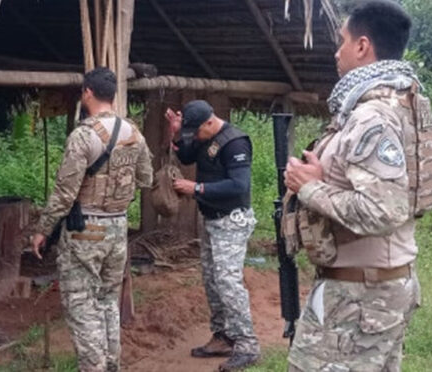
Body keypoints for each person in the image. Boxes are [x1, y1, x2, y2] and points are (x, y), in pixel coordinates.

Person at [284, 0, 432, 371]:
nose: (336, 51)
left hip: (359, 295)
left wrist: (309, 188)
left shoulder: (370, 116)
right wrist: (327, 176)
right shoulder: (405, 104)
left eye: (342, 40)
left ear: (362, 46)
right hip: (382, 286)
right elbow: (422, 190)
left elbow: (384, 210)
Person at [30, 68, 153, 372]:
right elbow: (146, 179)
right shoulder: (134, 134)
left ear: (87, 92)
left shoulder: (83, 136)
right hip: (118, 227)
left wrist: (43, 230)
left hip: (85, 229)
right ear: (112, 95)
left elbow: (64, 192)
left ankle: (93, 367)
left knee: (82, 305)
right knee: (108, 300)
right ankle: (111, 365)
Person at [167, 100, 260, 371]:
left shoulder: (235, 143)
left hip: (232, 220)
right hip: (211, 220)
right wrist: (175, 133)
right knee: (212, 280)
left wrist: (197, 188)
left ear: (210, 122)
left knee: (228, 282)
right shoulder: (203, 135)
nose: (194, 137)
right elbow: (186, 156)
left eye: (196, 132)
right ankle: (222, 337)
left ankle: (247, 344)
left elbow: (238, 185)